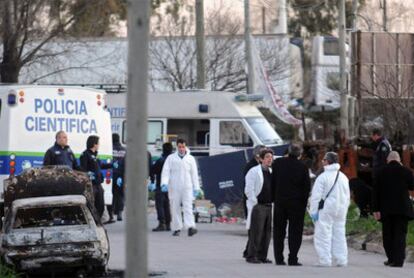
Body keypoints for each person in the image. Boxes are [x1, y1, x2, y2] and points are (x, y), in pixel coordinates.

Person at [373, 151, 414, 267]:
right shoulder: (406, 171)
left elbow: (375, 192)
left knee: (388, 234)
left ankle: (391, 258)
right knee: (400, 234)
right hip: (402, 209)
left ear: (387, 160)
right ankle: (399, 260)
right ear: (399, 160)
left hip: (386, 209)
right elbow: (412, 186)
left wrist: (375, 210)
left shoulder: (380, 172)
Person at [309, 152, 350, 267]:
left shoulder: (323, 177)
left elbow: (316, 197)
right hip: (341, 210)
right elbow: (347, 196)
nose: (322, 162)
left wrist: (313, 212)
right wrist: (345, 209)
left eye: (324, 160)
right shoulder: (343, 177)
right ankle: (341, 260)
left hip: (326, 210)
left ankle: (325, 260)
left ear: (327, 161)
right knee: (340, 234)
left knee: (323, 234)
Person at [272, 144, 311, 266]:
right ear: (299, 154)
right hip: (297, 204)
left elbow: (273, 182)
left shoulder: (277, 163)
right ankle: (293, 258)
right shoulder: (303, 167)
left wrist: (274, 198)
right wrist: (304, 205)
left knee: (279, 231)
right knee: (295, 232)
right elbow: (306, 188)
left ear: (288, 152)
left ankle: (279, 258)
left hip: (280, 202)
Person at [161, 139, 201, 237]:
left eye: (183, 146)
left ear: (185, 146)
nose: (181, 149)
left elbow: (194, 174)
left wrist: (196, 187)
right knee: (175, 207)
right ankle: (176, 228)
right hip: (174, 186)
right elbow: (166, 171)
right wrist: (164, 183)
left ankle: (190, 227)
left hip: (187, 187)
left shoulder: (190, 159)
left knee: (188, 207)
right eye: (179, 147)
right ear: (177, 147)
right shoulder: (171, 158)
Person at [244, 148, 274, 264]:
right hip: (258, 205)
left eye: (271, 157)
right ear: (261, 159)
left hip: (269, 205)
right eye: (267, 157)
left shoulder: (272, 172)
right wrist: (254, 201)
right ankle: (251, 255)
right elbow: (249, 189)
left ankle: (262, 256)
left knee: (267, 233)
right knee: (256, 232)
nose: (269, 159)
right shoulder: (253, 171)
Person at [242, 145, 266, 258]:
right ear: (258, 155)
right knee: (253, 227)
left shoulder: (262, 166)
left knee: (257, 227)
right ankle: (250, 251)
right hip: (252, 201)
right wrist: (253, 200)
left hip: (260, 201)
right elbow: (248, 187)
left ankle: (249, 250)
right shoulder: (251, 167)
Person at [80, 135, 112, 219]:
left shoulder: (95, 155)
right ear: (94, 144)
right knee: (91, 204)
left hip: (98, 184)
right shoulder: (85, 154)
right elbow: (82, 169)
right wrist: (88, 174)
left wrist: (112, 165)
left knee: (100, 204)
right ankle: (92, 221)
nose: (99, 145)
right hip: (91, 184)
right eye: (98, 143)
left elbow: (100, 165)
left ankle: (98, 220)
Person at [150, 142, 173, 231]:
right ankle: (168, 223)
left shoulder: (161, 160)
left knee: (160, 204)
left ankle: (161, 223)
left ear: (163, 149)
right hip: (171, 185)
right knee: (167, 204)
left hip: (161, 185)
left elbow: (153, 170)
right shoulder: (174, 160)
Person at [111, 133, 126, 222]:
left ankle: (111, 213)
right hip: (122, 175)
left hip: (112, 174)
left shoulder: (110, 149)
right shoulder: (124, 150)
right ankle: (119, 213)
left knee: (112, 193)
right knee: (120, 194)